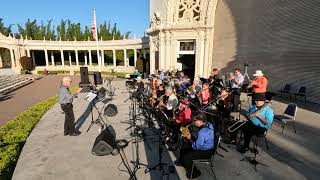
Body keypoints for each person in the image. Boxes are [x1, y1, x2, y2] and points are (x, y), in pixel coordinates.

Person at [177, 114, 215, 179]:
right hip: (208, 147)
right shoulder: (209, 124)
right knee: (185, 145)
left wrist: (189, 138)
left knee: (187, 157)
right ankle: (182, 161)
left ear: (200, 122)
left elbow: (197, 147)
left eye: (195, 120)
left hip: (206, 152)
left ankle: (195, 173)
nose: (194, 122)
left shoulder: (202, 132)